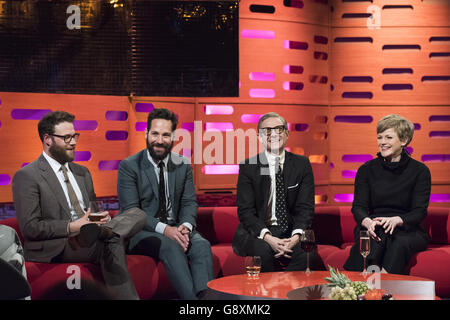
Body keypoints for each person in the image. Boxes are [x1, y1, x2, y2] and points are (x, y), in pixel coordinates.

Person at [12, 111, 146, 300]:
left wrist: (99, 219)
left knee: (137, 213)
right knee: (112, 241)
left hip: (89, 234)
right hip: (59, 243)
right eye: (67, 137)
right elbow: (30, 228)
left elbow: (91, 211)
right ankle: (102, 234)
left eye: (75, 136)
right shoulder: (27, 176)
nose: (74, 142)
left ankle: (101, 231)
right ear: (48, 139)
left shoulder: (83, 172)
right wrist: (73, 227)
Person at [117, 108, 213, 300]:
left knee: (202, 245)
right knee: (170, 245)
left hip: (177, 228)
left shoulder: (182, 165)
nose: (159, 140)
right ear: (146, 134)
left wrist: (185, 226)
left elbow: (188, 202)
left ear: (173, 137)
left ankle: (206, 301)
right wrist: (165, 230)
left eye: (165, 135)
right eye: (155, 134)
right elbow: (132, 211)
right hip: (140, 232)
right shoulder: (129, 166)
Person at [344, 114, 431, 274]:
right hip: (374, 226)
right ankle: (355, 289)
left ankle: (384, 287)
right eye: (380, 137)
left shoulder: (420, 171)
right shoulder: (366, 170)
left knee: (399, 243)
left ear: (404, 140)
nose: (382, 142)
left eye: (388, 137)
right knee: (372, 240)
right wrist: (367, 222)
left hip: (407, 228)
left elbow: (419, 211)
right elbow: (358, 207)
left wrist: (397, 220)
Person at [232, 112, 316, 272]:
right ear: (260, 137)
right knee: (262, 252)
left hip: (292, 230)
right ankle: (268, 296)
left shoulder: (302, 164)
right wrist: (269, 238)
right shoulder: (249, 166)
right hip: (261, 231)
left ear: (287, 133)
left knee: (308, 254)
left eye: (278, 129)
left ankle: (291, 295)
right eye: (267, 131)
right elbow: (246, 212)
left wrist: (295, 237)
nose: (274, 134)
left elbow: (306, 208)